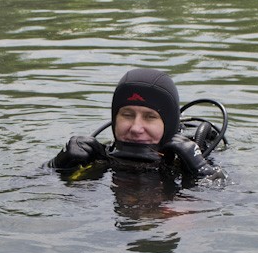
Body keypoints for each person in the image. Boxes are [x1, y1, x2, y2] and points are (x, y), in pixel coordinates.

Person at [47, 68, 227, 183]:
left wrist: (203, 170)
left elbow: (239, 204)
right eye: (127, 115)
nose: (135, 128)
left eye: (150, 117)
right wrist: (57, 164)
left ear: (169, 123)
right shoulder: (98, 158)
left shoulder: (196, 160)